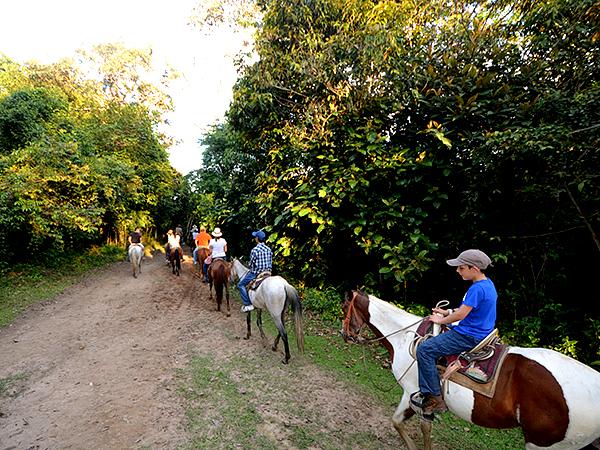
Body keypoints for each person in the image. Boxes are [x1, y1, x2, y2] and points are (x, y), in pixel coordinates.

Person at [412, 249, 497, 416]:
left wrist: (440, 320)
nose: (457, 271)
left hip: (468, 335)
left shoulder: (476, 289)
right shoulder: (488, 284)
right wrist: (447, 312)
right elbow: (467, 309)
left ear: (474, 269)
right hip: (481, 332)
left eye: (461, 268)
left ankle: (434, 397)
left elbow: (461, 315)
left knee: (425, 349)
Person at [238, 230, 273, 313]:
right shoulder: (268, 249)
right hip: (268, 272)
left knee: (240, 285)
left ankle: (247, 304)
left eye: (255, 237)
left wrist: (250, 266)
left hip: (257, 272)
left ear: (257, 239)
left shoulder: (255, 250)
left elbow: (251, 264)